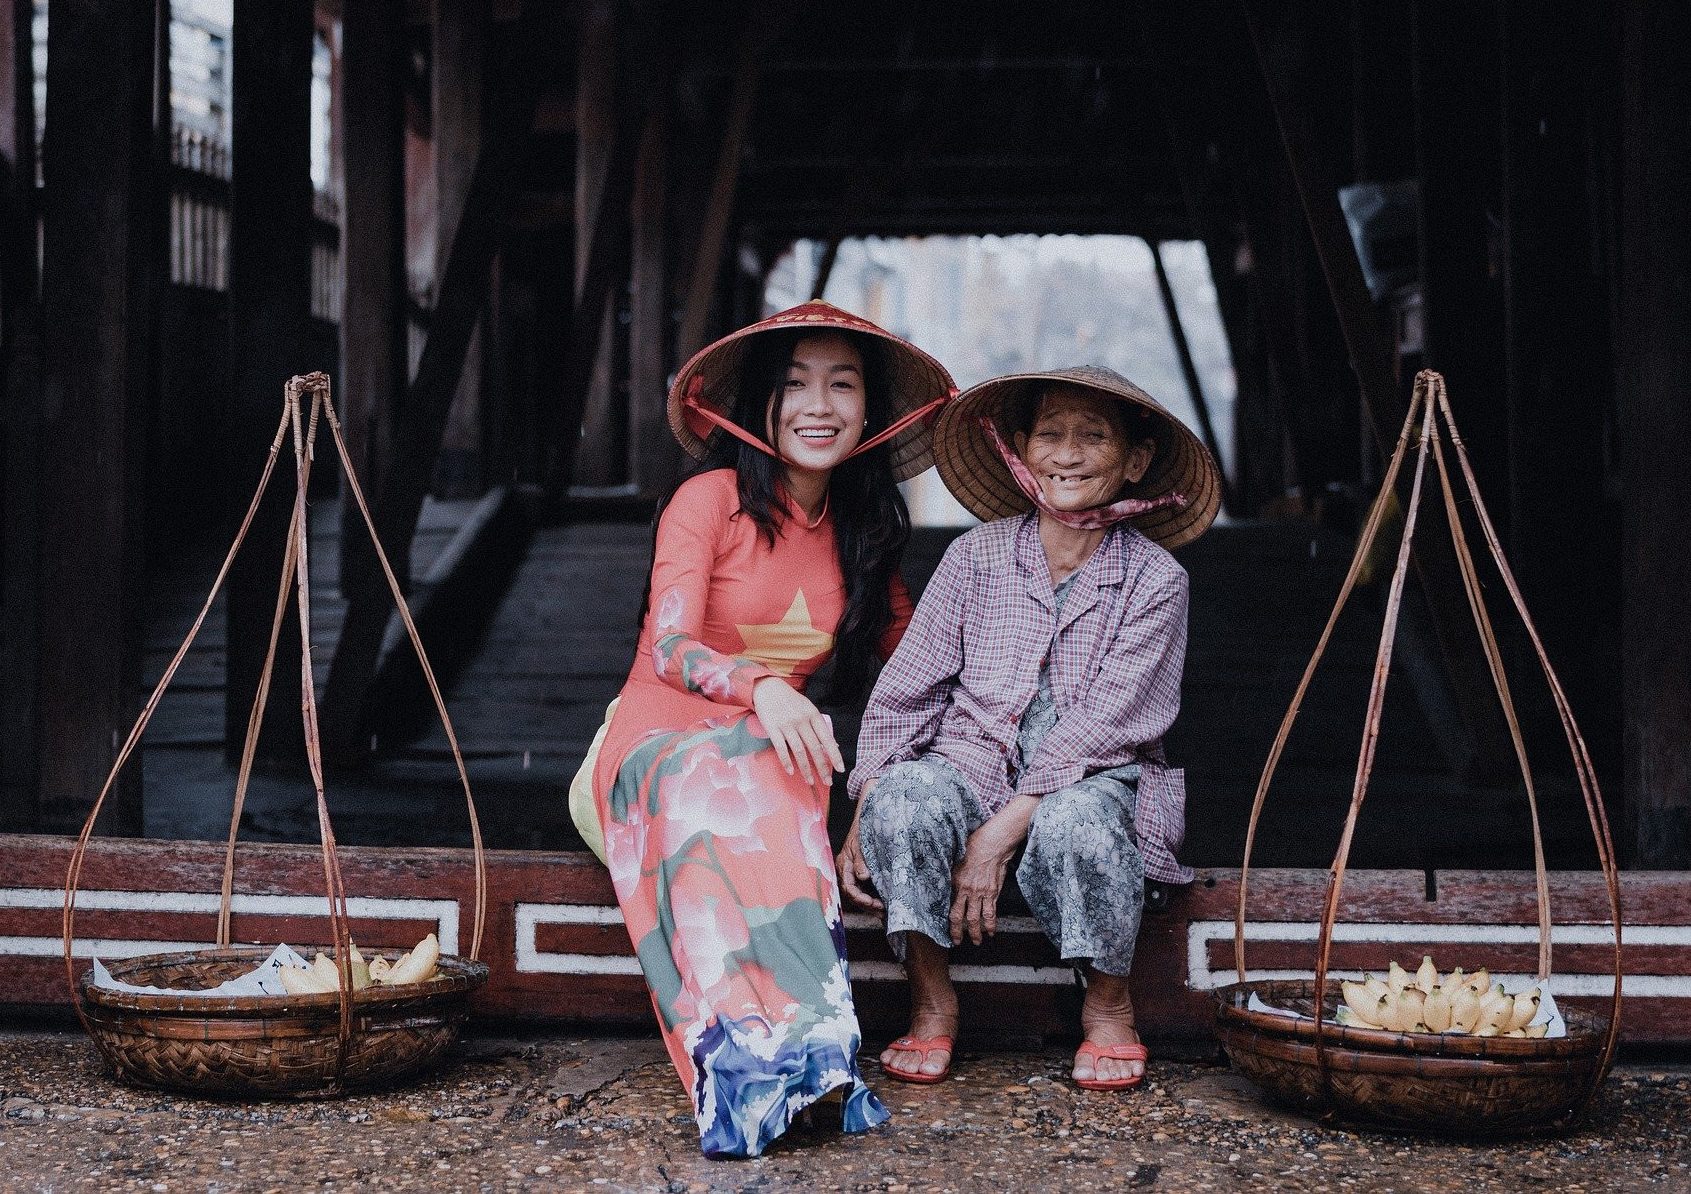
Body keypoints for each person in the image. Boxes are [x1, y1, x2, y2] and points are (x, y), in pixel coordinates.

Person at [568, 301, 956, 1158]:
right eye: (794, 385)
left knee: (783, 766)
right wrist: (765, 691)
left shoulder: (865, 530)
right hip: (648, 745)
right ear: (760, 406)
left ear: (867, 412)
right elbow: (668, 647)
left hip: (767, 765)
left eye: (841, 385)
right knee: (752, 754)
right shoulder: (708, 500)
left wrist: (885, 787)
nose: (818, 405)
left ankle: (814, 1060)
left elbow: (919, 671)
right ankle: (741, 1074)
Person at [836, 366, 1220, 1091]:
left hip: (1093, 778)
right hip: (969, 763)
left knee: (1078, 823)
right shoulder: (974, 557)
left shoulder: (1155, 579)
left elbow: (1106, 725)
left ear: (1134, 461)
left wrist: (999, 832)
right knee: (904, 798)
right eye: (1050, 434)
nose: (1067, 455)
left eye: (1092, 436)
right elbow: (906, 691)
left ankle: (1107, 1006)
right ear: (1019, 448)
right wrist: (868, 799)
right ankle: (930, 996)